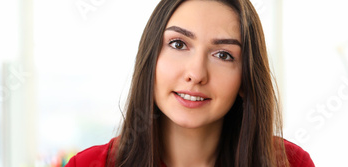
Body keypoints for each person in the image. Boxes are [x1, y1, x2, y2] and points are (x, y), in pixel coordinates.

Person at [66, 0, 315, 166]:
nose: (196, 74)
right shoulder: (88, 164)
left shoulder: (289, 162)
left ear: (246, 79)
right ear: (150, 56)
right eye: (178, 44)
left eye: (223, 55)